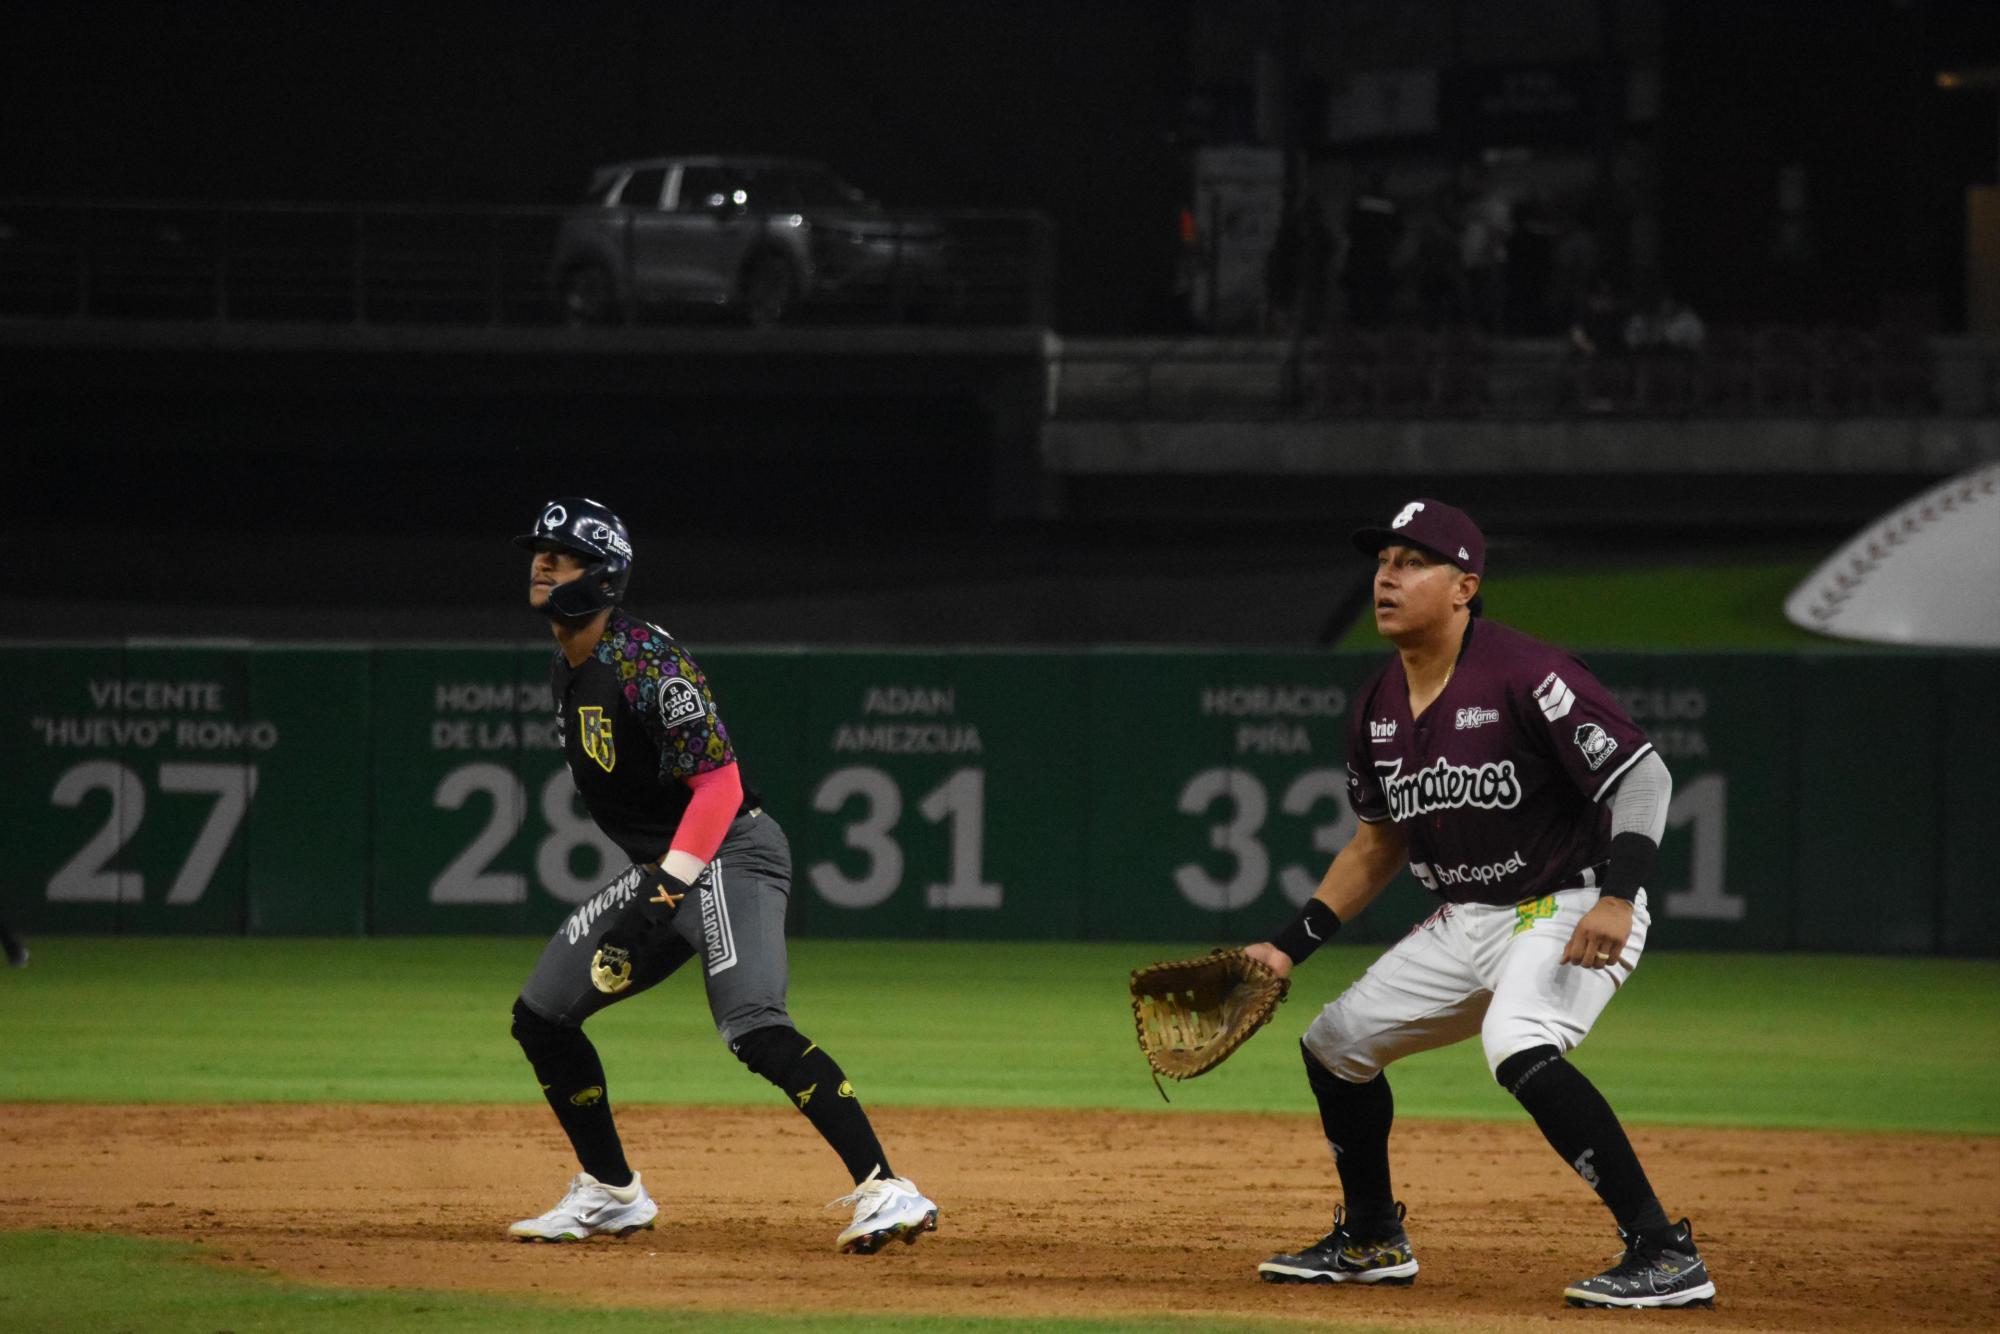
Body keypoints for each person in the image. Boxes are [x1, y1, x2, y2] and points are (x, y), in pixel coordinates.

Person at [1246, 498, 1715, 1311]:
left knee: (1516, 1038)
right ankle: (1371, 1238)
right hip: (1470, 916)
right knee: (1336, 1045)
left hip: (1568, 903)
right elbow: (1375, 847)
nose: (1386, 578)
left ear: (1464, 587)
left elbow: (1644, 777)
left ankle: (1664, 1251)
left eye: (1411, 563)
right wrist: (1288, 947)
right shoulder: (1377, 706)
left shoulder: (1528, 673)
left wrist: (1618, 895)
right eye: (1382, 562)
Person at [505, 497, 938, 1253]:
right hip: (669, 863)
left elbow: (720, 788)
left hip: (730, 851)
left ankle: (888, 1188)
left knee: (754, 1027)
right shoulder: (569, 666)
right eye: (540, 548)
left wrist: (663, 892)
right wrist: (657, 885)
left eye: (562, 553)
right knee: (541, 1016)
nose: (543, 561)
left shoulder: (646, 663)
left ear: (601, 576)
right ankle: (611, 1192)